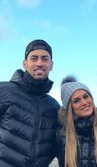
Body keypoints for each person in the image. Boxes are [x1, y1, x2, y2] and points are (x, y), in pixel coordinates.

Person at [0, 39, 60, 167]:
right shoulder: (4, 91)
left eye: (45, 59)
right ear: (25, 64)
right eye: (34, 58)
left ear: (51, 65)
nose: (39, 63)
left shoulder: (53, 106)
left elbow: (55, 145)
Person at [56, 76, 97, 167]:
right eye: (76, 101)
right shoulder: (62, 132)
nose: (84, 102)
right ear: (69, 108)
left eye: (86, 96)